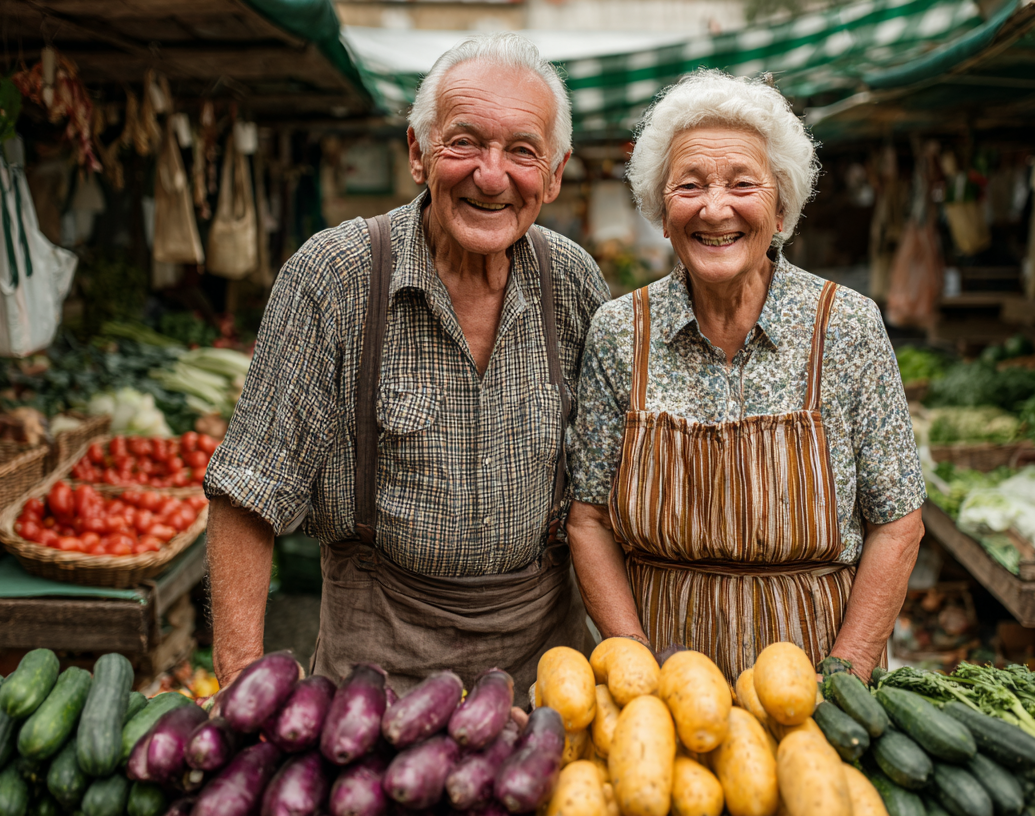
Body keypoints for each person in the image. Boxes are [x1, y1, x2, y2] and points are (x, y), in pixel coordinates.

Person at [204, 33, 610, 693]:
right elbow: (249, 491)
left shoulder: (572, 283)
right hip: (375, 680)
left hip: (545, 682)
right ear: (418, 153)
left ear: (555, 174)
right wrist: (239, 687)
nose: (491, 174)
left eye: (522, 151)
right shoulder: (334, 276)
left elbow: (605, 495)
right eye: (465, 142)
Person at [566, 69, 925, 682]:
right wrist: (637, 669)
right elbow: (589, 519)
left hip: (816, 678)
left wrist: (848, 673)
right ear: (660, 210)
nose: (714, 208)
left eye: (742, 183)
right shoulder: (620, 331)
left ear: (781, 207)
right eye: (690, 185)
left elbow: (897, 521)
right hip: (664, 681)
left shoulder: (848, 327)